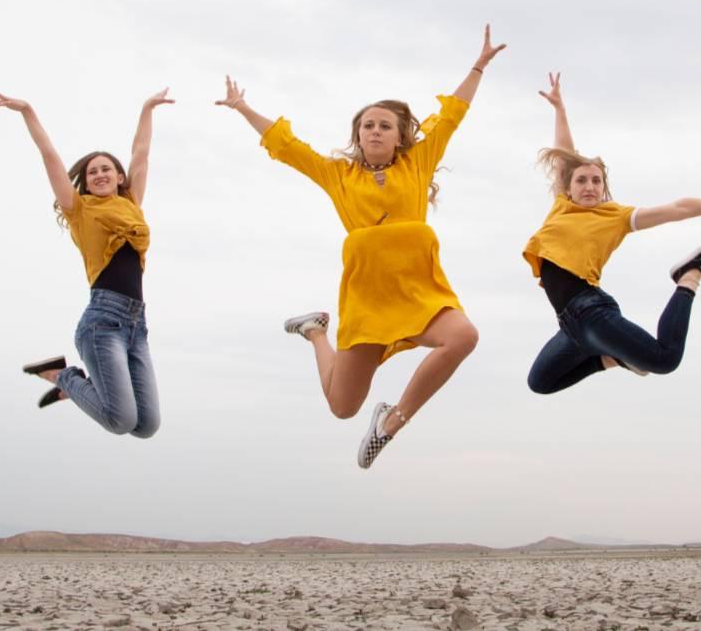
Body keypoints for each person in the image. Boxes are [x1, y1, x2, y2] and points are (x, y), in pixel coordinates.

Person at [216, 25, 506, 468]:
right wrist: (243, 108)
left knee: (463, 336)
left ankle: (391, 422)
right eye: (367, 125)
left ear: (399, 136)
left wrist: (478, 65)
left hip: (417, 290)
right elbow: (286, 145)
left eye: (384, 126)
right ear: (358, 135)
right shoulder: (338, 176)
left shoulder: (418, 162)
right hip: (368, 298)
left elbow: (453, 114)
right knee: (342, 406)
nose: (374, 131)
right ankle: (315, 331)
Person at [523, 72, 701, 394]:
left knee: (665, 359)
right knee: (540, 383)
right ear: (568, 186)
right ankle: (612, 359)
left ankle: (689, 276)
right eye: (581, 180)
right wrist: (559, 109)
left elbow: (678, 208)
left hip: (591, 311)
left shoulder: (615, 216)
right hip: (570, 325)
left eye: (596, 181)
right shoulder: (562, 206)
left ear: (603, 187)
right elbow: (564, 153)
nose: (589, 186)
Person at [0, 87, 170, 439]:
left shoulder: (132, 202)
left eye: (106, 169)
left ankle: (70, 383)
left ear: (119, 177)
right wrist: (28, 111)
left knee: (146, 426)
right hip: (103, 321)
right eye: (91, 173)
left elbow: (141, 155)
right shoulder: (79, 210)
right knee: (120, 421)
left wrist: (147, 107)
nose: (99, 174)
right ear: (84, 183)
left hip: (136, 324)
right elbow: (50, 156)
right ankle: (63, 377)